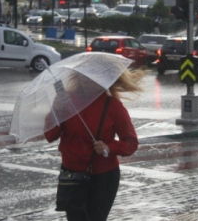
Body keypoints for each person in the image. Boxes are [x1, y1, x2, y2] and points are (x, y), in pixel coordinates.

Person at [44, 68, 145, 221]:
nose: (88, 80)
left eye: (94, 77)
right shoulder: (66, 101)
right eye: (84, 76)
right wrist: (57, 109)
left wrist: (109, 147)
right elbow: (50, 135)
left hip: (102, 178)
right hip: (72, 176)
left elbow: (131, 143)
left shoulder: (113, 106)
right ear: (78, 77)